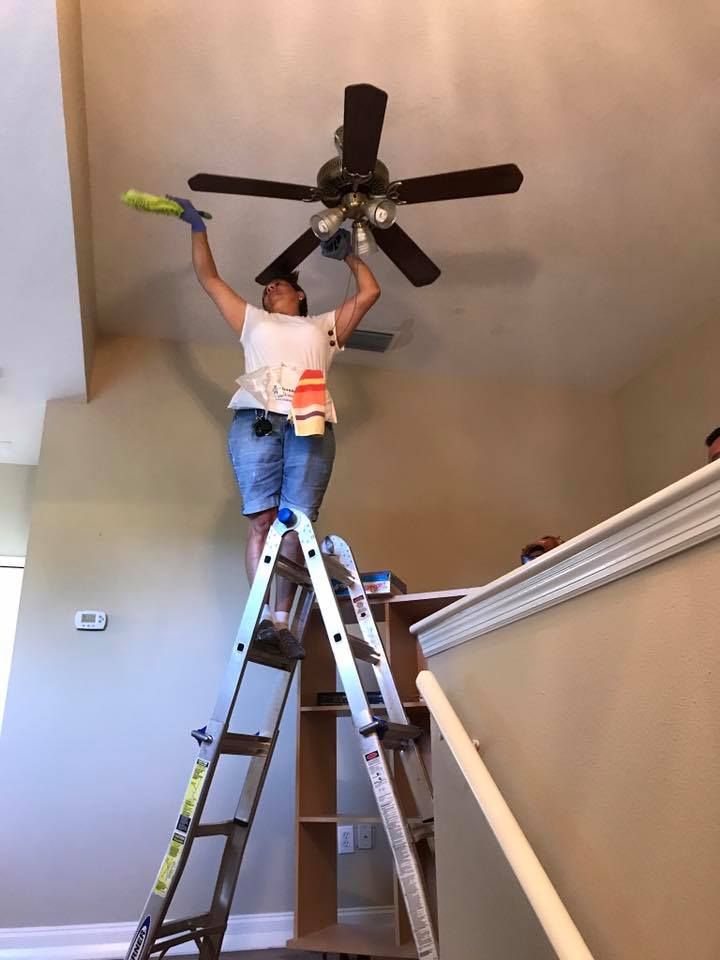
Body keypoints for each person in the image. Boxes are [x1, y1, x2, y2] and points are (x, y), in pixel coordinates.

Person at [171, 197, 380, 658]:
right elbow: (209, 279)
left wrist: (348, 254)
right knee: (262, 520)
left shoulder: (324, 327)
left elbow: (369, 292)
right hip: (258, 419)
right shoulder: (253, 320)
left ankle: (282, 622)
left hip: (311, 420)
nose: (270, 291)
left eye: (279, 286)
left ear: (301, 296)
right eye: (266, 290)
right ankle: (265, 617)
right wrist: (197, 229)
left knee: (293, 524)